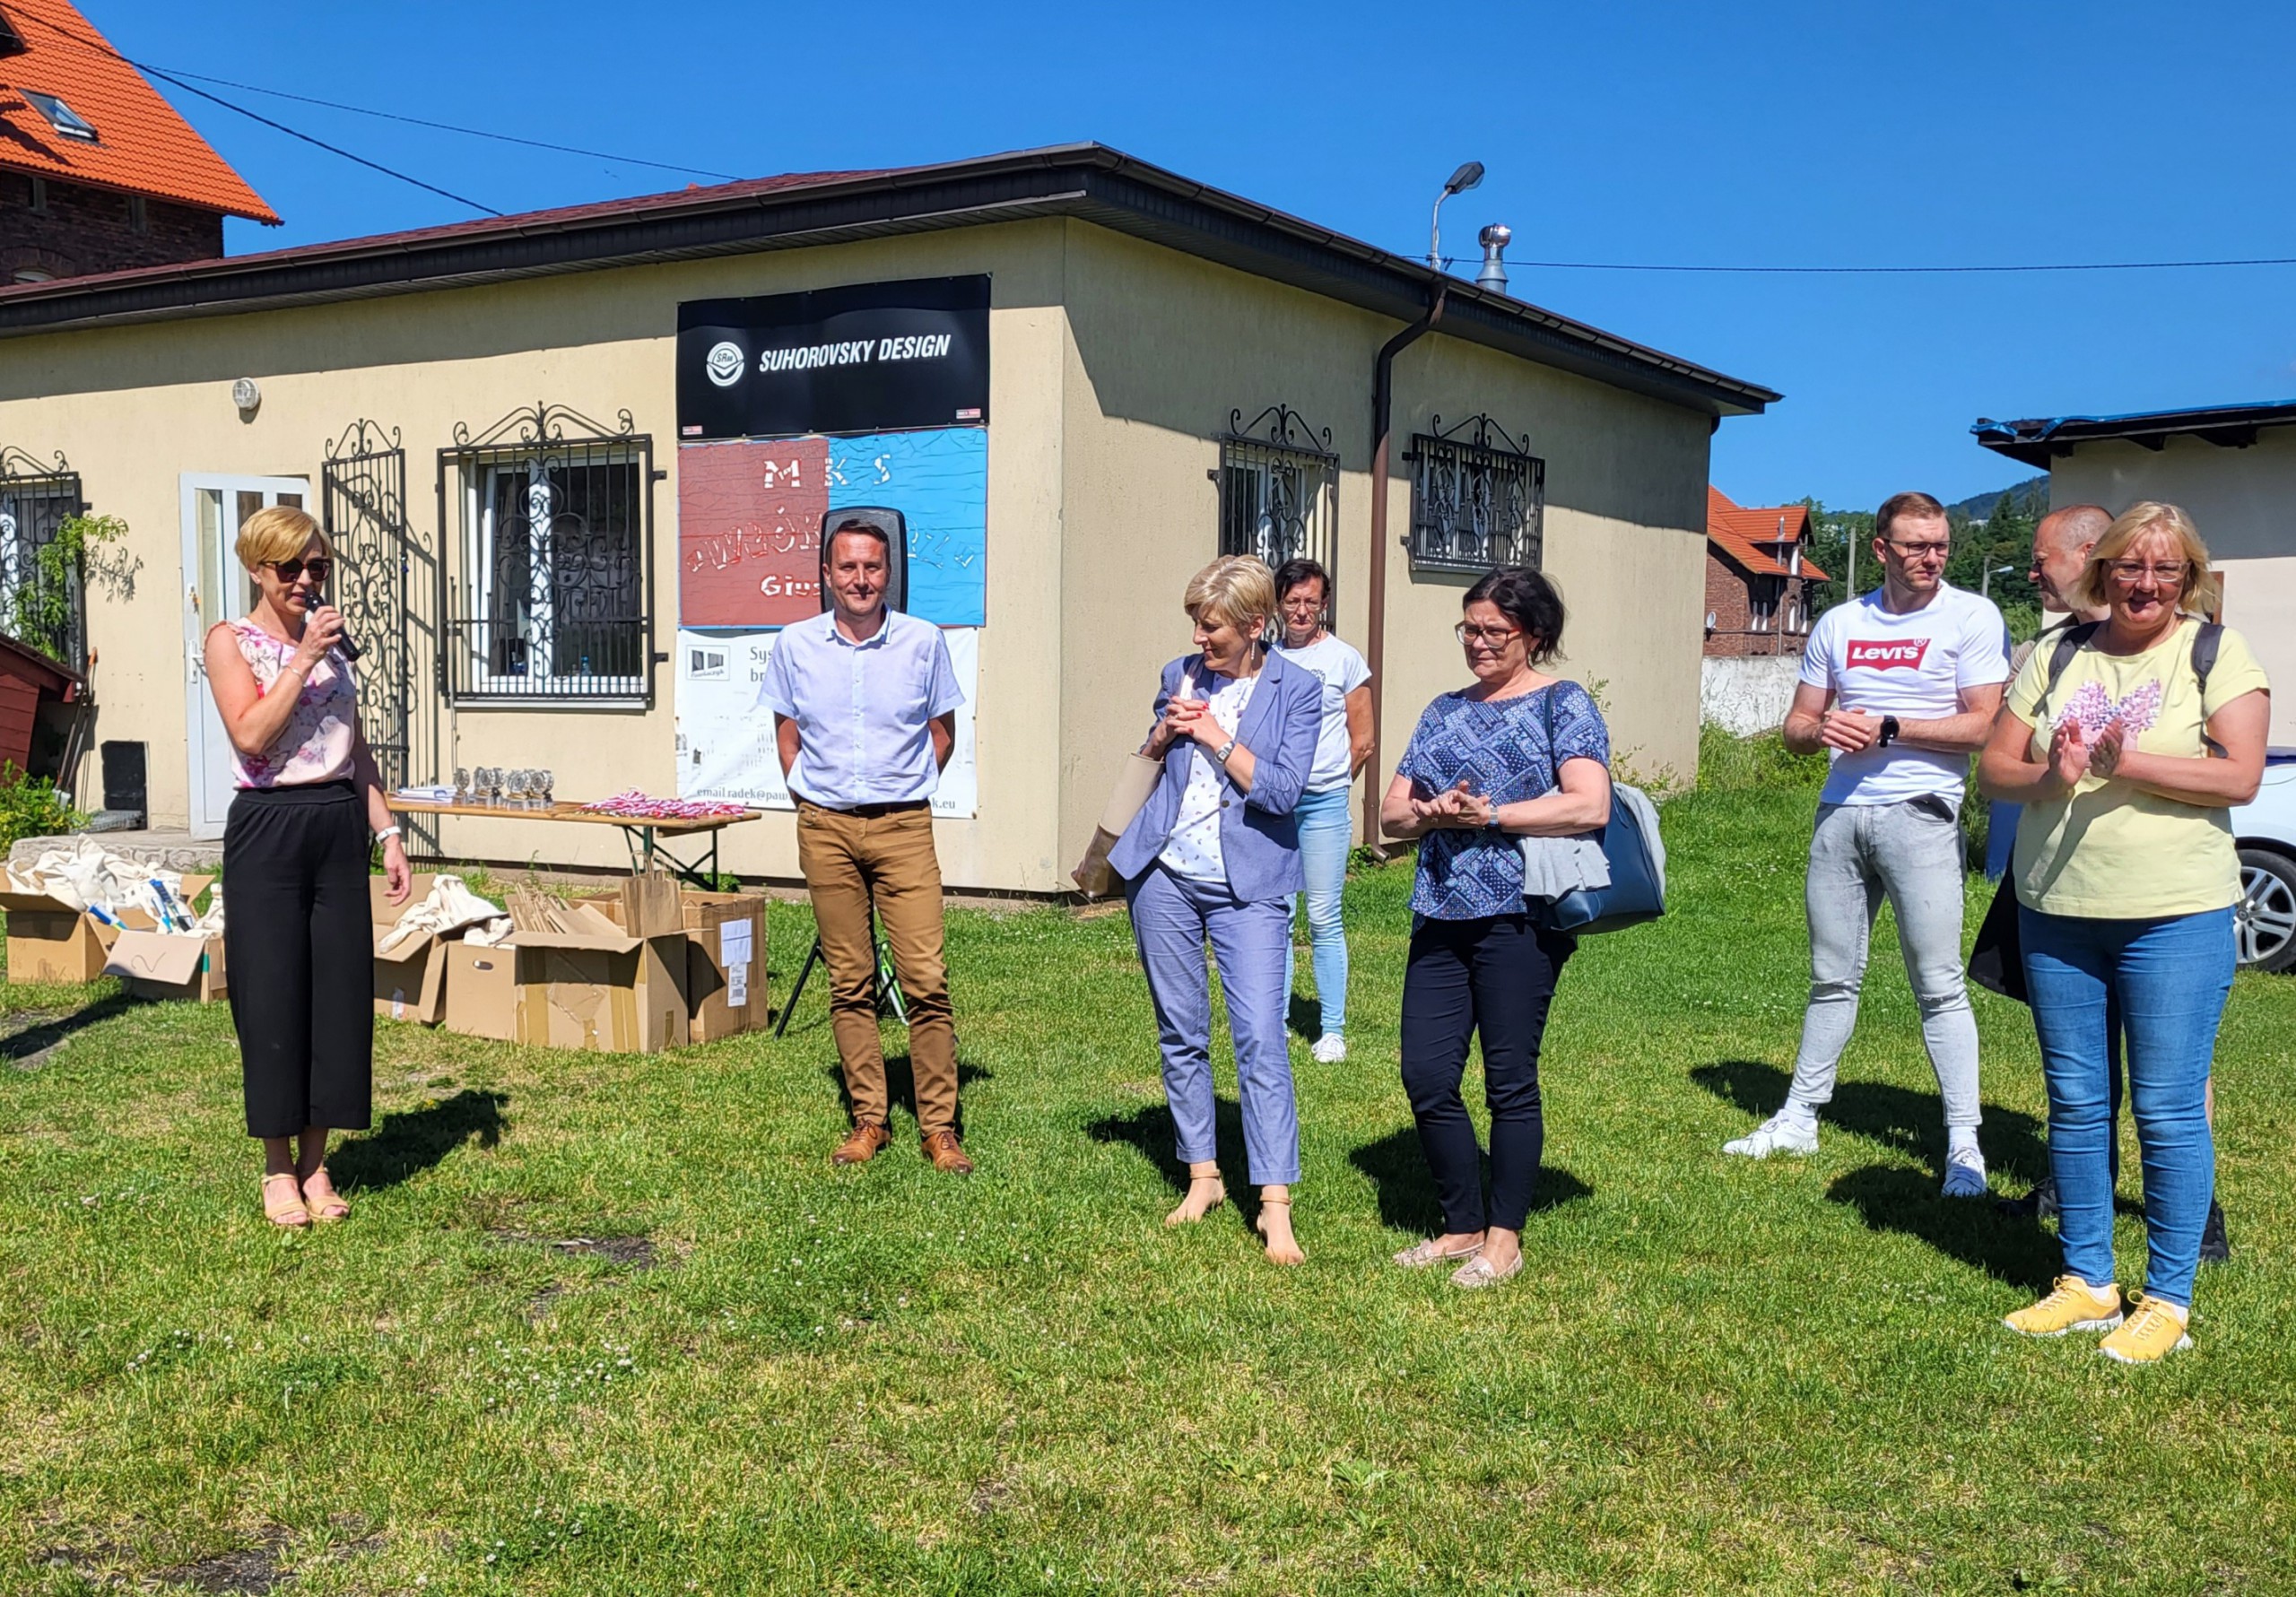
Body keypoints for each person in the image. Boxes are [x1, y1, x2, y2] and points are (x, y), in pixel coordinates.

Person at [1981, 503, 2267, 1363]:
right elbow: (1995, 768)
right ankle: (2087, 1282)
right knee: (2075, 1102)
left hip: (2175, 915)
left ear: (2189, 577)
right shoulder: (2057, 654)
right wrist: (2052, 774)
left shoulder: (2216, 652)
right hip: (2058, 913)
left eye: (2166, 569)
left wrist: (2125, 763)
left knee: (2168, 1108)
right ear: (2103, 570)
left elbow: (2241, 776)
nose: (2146, 584)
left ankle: (2168, 1298)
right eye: (2130, 567)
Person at [1724, 491, 2010, 1196]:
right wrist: (1821, 729)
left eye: (1940, 545)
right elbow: (1796, 728)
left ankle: (1964, 1145)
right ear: (1881, 548)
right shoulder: (1840, 622)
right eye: (1916, 545)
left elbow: (1984, 725)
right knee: (1831, 977)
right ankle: (1799, 1116)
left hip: (1922, 812)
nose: (1931, 557)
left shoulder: (1972, 615)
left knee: (1938, 984)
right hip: (1841, 813)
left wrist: (1889, 725)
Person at [1380, 567, 1612, 1289]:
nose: (1478, 642)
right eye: (1469, 629)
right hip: (1441, 909)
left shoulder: (1563, 703)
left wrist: (1492, 815)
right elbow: (1390, 813)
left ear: (1532, 635)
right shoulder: (1442, 710)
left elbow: (1590, 803)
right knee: (1425, 1072)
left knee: (1509, 1079)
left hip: (1522, 915)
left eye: (1494, 632)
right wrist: (1430, 812)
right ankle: (1461, 1225)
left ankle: (1504, 1240)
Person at [203, 505, 412, 1229]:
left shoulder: (333, 645)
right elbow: (252, 735)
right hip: (268, 825)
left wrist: (387, 831)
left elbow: (353, 748)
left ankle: (317, 1163)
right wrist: (300, 660)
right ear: (257, 569)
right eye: (289, 567)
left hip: (335, 822)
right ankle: (276, 1167)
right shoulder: (231, 640)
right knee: (271, 995)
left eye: (316, 566)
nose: (304, 579)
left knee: (337, 994)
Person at [1109, 555, 1319, 1264]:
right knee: (1181, 1029)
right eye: (1197, 624)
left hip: (1249, 885)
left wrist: (1214, 736)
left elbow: (1281, 792)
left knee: (1260, 1035)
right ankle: (1203, 1176)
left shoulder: (1298, 688)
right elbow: (1150, 760)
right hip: (1164, 874)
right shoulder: (1179, 673)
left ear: (1256, 625)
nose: (1200, 638)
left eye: (1213, 627)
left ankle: (1274, 1203)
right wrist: (1164, 733)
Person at [761, 517, 972, 1174]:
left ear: (888, 573)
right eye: (848, 567)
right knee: (849, 981)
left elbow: (943, 730)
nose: (860, 579)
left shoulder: (921, 641)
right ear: (827, 574)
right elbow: (786, 731)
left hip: (903, 827)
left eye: (872, 567)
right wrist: (807, 795)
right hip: (825, 827)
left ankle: (939, 1127)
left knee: (925, 979)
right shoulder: (796, 644)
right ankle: (870, 1120)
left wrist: (903, 789)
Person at [1271, 558, 1372, 1063]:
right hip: (1274, 805)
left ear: (1324, 604)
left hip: (1324, 804)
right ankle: (1275, 1021)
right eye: (1293, 601)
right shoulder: (1265, 659)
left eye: (1311, 601)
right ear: (1278, 605)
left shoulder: (1344, 660)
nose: (1302, 610)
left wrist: (1331, 782)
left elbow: (1363, 739)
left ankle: (1332, 1030)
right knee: (1277, 915)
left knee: (1323, 916)